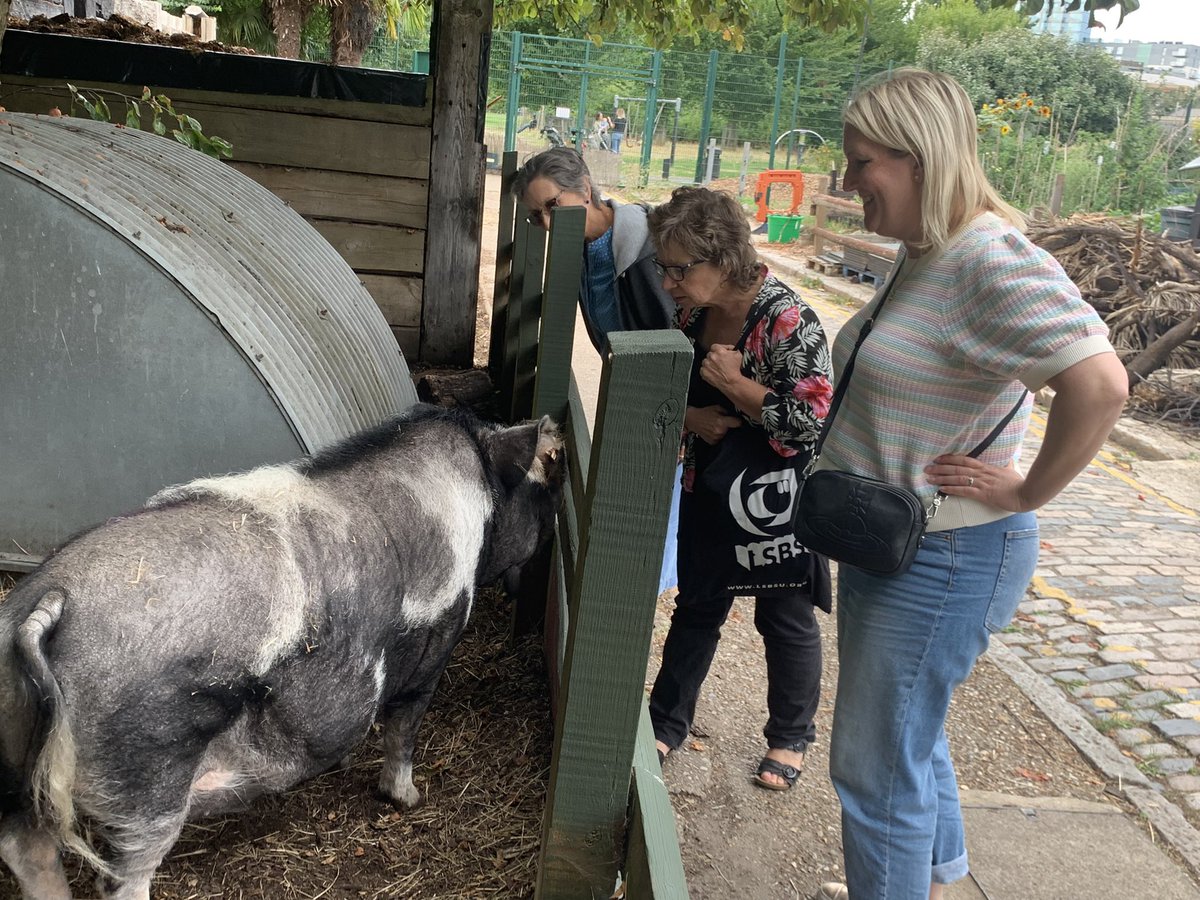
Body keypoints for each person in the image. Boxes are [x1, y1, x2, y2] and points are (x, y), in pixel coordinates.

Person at [815, 69, 1128, 900]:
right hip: (905, 546)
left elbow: (1101, 385)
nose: (848, 183)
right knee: (909, 739)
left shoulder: (986, 257)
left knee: (875, 768)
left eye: (861, 162)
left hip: (945, 557)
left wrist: (1026, 491)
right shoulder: (930, 251)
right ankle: (934, 877)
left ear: (919, 157)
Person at [645, 187, 834, 791]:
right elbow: (673, 390)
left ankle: (789, 739)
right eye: (663, 267)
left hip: (776, 496)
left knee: (785, 612)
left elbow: (811, 424)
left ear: (723, 258)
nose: (669, 281)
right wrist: (691, 419)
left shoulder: (789, 320)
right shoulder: (693, 314)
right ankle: (666, 724)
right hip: (708, 480)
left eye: (680, 268)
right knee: (698, 605)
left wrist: (737, 386)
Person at [511, 147, 680, 593]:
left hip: (671, 406)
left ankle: (643, 594)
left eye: (552, 206)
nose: (547, 224)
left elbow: (677, 339)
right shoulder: (583, 252)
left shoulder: (649, 252)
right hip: (633, 395)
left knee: (663, 515)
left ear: (585, 188)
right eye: (535, 216)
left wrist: (684, 415)